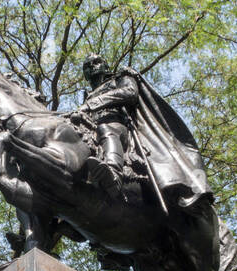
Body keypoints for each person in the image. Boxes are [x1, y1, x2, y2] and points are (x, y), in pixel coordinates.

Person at [73, 54, 212, 213]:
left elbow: (130, 93)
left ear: (106, 66)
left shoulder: (120, 78)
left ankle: (113, 174)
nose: (92, 67)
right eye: (87, 66)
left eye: (96, 62)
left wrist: (91, 105)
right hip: (92, 131)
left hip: (119, 126)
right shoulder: (87, 96)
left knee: (106, 129)